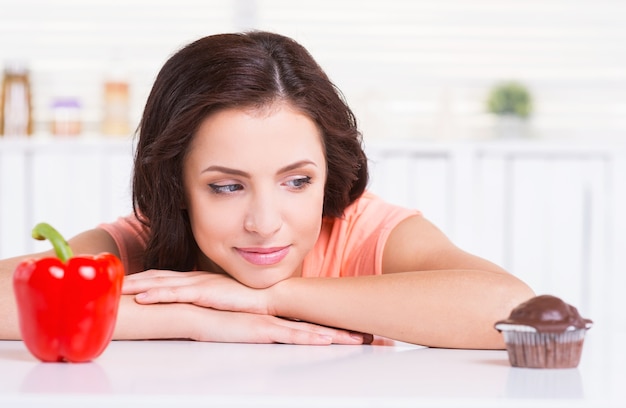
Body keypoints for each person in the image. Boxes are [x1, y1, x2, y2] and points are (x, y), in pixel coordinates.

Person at [0, 31, 534, 348]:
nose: (265, 221)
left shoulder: (362, 232)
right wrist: (196, 318)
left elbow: (517, 309)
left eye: (297, 181)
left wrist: (273, 297)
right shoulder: (148, 241)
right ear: (177, 186)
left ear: (330, 170)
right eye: (227, 187)